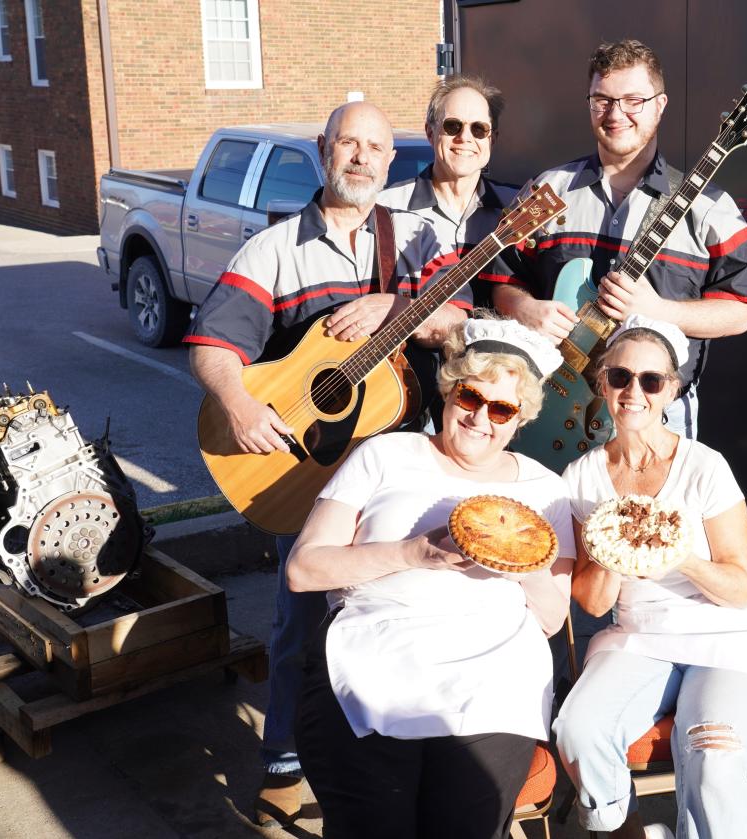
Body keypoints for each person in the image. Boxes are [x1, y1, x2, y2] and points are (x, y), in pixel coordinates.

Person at [184, 101, 468, 826]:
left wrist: (391, 304)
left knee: (411, 606)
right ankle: (284, 756)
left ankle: (403, 744)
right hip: (307, 472)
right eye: (349, 142)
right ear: (323, 150)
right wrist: (241, 405)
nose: (363, 157)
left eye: (376, 146)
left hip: (406, 467)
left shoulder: (414, 237)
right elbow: (213, 344)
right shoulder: (273, 249)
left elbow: (457, 318)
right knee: (300, 616)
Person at [288, 316, 574, 839]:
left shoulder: (546, 493)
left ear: (520, 420)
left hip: (492, 679)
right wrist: (414, 553)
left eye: (502, 408)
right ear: (450, 390)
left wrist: (519, 561)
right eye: (470, 397)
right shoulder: (385, 455)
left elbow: (553, 618)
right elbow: (304, 569)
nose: (481, 417)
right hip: (373, 657)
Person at [554, 315, 747, 839]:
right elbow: (591, 604)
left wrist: (676, 554)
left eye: (650, 381)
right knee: (577, 729)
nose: (633, 392)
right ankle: (628, 831)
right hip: (640, 638)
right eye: (620, 377)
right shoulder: (583, 477)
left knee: (713, 758)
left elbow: (741, 586)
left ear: (671, 391)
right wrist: (613, 550)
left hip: (727, 639)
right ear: (602, 382)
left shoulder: (704, 466)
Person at [489, 38, 747, 438]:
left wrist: (660, 310)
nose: (616, 113)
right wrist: (526, 308)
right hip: (549, 408)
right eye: (602, 99)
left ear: (660, 104)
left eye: (633, 100)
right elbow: (501, 281)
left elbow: (742, 312)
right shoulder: (547, 192)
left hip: (659, 414)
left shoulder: (710, 206)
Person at [378, 74, 517, 312]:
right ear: (430, 133)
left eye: (479, 129)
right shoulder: (385, 208)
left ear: (492, 140)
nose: (465, 138)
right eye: (452, 126)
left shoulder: (516, 208)